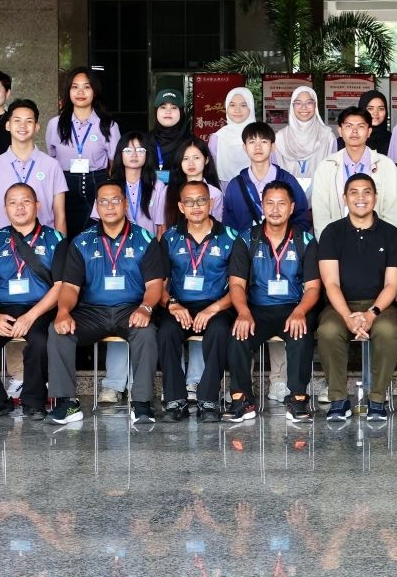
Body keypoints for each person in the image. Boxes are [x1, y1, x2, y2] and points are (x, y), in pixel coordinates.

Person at [45, 181, 163, 428]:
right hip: (92, 311)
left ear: (125, 204)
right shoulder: (82, 242)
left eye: (115, 200)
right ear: (96, 207)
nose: (110, 206)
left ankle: (141, 402)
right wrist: (63, 312)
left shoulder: (145, 239)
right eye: (103, 202)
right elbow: (70, 287)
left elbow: (154, 285)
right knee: (58, 331)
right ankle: (67, 402)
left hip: (131, 308)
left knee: (146, 332)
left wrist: (146, 308)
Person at [0, 182, 63, 420]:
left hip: (40, 309)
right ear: (5, 209)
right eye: (13, 203)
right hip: (1, 309)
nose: (19, 207)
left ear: (37, 206)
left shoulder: (55, 239)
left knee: (41, 340)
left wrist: (30, 316)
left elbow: (60, 286)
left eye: (26, 201)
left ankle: (34, 402)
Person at [225, 182, 322, 423]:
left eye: (281, 204)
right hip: (257, 309)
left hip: (294, 306)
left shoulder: (306, 240)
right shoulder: (247, 239)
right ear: (262, 206)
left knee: (301, 333)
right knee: (238, 334)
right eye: (270, 203)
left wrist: (300, 311)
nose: (275, 210)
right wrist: (243, 312)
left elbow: (313, 288)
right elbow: (236, 284)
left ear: (292, 208)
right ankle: (242, 399)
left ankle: (297, 398)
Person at [153, 177, 244, 424]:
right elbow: (157, 284)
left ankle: (208, 399)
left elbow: (239, 286)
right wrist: (172, 304)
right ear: (181, 207)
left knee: (220, 331)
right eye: (189, 202)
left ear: (211, 203)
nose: (196, 207)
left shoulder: (231, 237)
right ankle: (175, 399)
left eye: (201, 200)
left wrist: (213, 309)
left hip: (218, 305)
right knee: (166, 332)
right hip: (179, 305)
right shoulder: (169, 238)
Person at [314, 173, 397, 424]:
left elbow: (392, 284)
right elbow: (331, 283)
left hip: (380, 305)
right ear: (345, 198)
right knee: (329, 331)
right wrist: (347, 317)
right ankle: (339, 400)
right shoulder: (332, 232)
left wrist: (371, 314)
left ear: (375, 197)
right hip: (340, 305)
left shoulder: (390, 234)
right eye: (354, 192)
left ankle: (377, 399)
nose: (360, 197)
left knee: (388, 331)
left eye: (367, 192)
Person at [0, 99, 67, 233]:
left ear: (36, 127)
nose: (22, 126)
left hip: (44, 241)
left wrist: (60, 244)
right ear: (7, 125)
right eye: (17, 120)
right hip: (6, 242)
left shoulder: (52, 165)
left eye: (29, 121)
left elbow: (60, 215)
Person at [311, 105, 397, 234]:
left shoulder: (387, 166)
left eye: (360, 126)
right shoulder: (325, 167)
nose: (354, 131)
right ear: (340, 131)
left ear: (369, 131)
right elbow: (321, 216)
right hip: (336, 241)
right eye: (348, 126)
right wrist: (329, 243)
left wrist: (380, 244)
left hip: (377, 242)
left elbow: (392, 214)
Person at [45, 68, 118, 212]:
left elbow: (114, 163)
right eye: (75, 87)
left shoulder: (108, 125)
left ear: (94, 91)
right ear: (68, 91)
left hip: (97, 185)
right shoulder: (55, 124)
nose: (80, 92)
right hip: (63, 186)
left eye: (86, 87)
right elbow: (51, 158)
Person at [220, 120, 307, 237]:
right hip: (244, 247)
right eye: (252, 142)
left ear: (273, 147)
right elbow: (229, 225)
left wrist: (288, 241)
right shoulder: (235, 185)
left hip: (282, 247)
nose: (258, 147)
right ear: (244, 147)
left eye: (264, 141)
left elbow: (302, 219)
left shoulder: (288, 181)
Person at [101, 132, 167, 233]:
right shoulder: (108, 187)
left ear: (147, 155)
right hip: (118, 242)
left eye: (140, 150)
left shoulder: (158, 186)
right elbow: (102, 223)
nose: (134, 155)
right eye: (128, 150)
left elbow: (161, 227)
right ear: (120, 154)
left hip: (149, 242)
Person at [275, 84, 335, 181]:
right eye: (298, 103)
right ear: (292, 106)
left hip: (319, 189)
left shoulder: (327, 136)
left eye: (309, 103)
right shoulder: (280, 138)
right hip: (287, 189)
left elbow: (333, 170)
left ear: (315, 105)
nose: (304, 107)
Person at [162, 138, 221, 231]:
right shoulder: (167, 191)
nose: (191, 163)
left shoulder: (215, 193)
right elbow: (162, 228)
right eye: (185, 158)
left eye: (196, 158)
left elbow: (217, 227)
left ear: (206, 160)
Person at [147, 88, 197, 177]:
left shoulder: (193, 143)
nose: (168, 112)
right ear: (156, 111)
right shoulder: (145, 142)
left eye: (174, 107)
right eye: (163, 107)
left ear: (181, 112)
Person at [209, 86, 256, 181]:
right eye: (232, 105)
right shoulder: (217, 138)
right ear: (227, 107)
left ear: (250, 107)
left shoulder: (261, 136)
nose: (237, 110)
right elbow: (210, 171)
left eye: (243, 105)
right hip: (225, 188)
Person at [360, 89, 394, 155]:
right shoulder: (350, 138)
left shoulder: (393, 140)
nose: (375, 113)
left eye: (381, 109)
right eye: (370, 108)